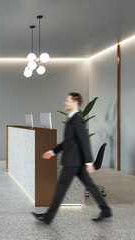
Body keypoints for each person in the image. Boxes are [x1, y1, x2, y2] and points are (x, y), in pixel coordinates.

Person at [31, 92, 112, 224]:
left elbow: (84, 141)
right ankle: (106, 210)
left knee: (60, 188)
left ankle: (48, 217)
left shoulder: (78, 119)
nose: (65, 103)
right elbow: (69, 141)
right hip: (76, 161)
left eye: (68, 101)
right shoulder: (72, 119)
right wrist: (53, 151)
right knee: (90, 185)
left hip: (73, 162)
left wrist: (89, 162)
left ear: (75, 103)